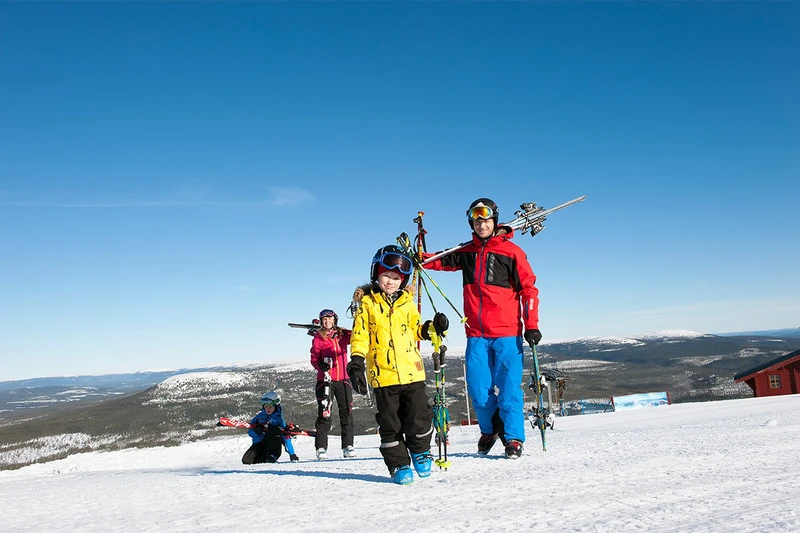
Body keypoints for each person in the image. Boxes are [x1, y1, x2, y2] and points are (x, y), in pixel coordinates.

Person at [422, 198, 542, 460]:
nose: (482, 224)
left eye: (486, 219)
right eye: (477, 220)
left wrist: (531, 325)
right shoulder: (467, 252)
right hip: (476, 335)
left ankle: (513, 439)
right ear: (471, 223)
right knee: (478, 391)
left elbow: (529, 289)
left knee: (509, 390)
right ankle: (489, 430)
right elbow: (438, 261)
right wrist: (418, 258)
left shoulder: (512, 252)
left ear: (494, 221)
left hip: (507, 334)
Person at [346, 245, 448, 485]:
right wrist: (357, 362)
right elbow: (360, 336)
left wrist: (434, 328)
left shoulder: (407, 303)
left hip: (412, 373)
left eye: (396, 277)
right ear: (376, 274)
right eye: (385, 275)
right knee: (390, 423)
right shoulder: (367, 305)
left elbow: (417, 330)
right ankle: (399, 463)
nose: (390, 281)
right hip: (384, 377)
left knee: (418, 417)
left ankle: (421, 452)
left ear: (402, 280)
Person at [309, 308, 355, 460]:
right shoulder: (319, 338)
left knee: (347, 413)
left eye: (330, 318)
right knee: (324, 414)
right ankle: (321, 447)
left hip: (343, 379)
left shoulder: (342, 334)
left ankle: (348, 446)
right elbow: (314, 358)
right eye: (324, 319)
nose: (327, 321)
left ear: (335, 319)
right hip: (326, 381)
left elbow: (357, 334)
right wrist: (320, 366)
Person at [241, 391, 299, 464]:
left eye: (270, 406)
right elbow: (250, 432)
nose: (268, 409)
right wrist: (256, 431)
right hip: (259, 445)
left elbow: (285, 437)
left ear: (275, 406)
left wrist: (292, 454)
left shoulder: (279, 419)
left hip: (273, 447)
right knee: (246, 460)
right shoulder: (258, 418)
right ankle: (262, 458)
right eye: (266, 406)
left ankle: (272, 456)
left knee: (275, 430)